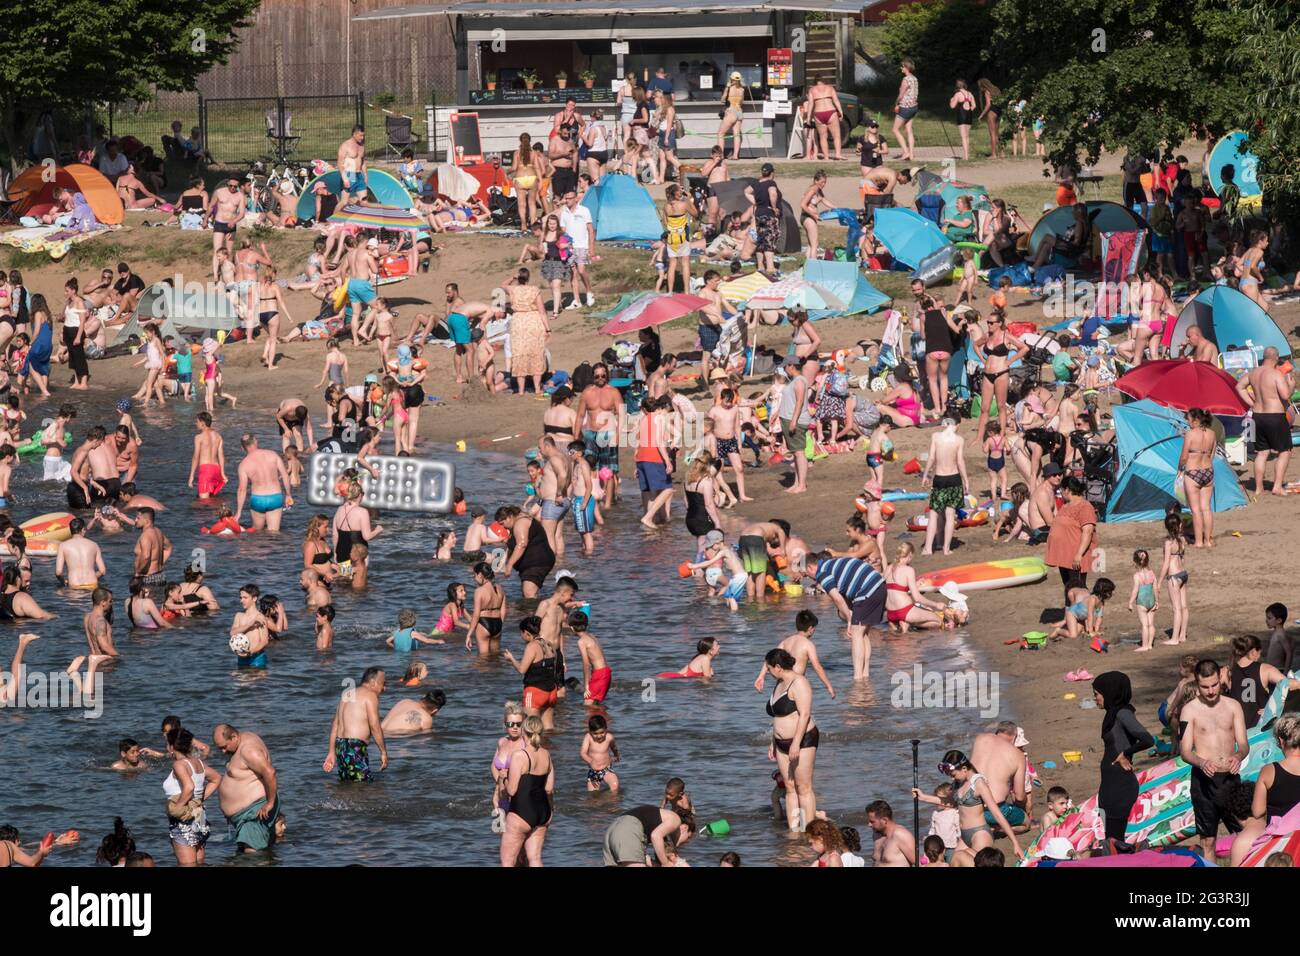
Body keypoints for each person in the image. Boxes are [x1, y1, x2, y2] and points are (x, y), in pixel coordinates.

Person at [1180, 659, 1250, 855]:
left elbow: (1244, 744)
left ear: (1220, 678)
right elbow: (1184, 750)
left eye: (1214, 685)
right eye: (1204, 687)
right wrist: (1201, 762)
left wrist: (1238, 755)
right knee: (1208, 841)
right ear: (1197, 683)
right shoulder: (1189, 710)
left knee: (1245, 834)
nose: (1210, 691)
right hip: (1204, 781)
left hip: (1230, 779)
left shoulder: (1233, 706)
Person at [1092, 672, 1155, 846]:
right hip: (1110, 785)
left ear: (1109, 692)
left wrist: (1125, 753)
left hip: (1119, 786)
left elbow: (1148, 739)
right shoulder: (1113, 713)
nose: (1095, 698)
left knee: (1114, 841)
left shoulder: (1122, 713)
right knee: (1111, 840)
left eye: (1097, 694)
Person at [802, 551, 886, 680]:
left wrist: (849, 621)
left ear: (810, 567)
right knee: (863, 633)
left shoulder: (822, 573)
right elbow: (845, 589)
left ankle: (857, 678)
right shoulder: (830, 564)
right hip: (879, 585)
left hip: (867, 590)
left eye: (807, 575)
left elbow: (837, 599)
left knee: (856, 633)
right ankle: (865, 674)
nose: (809, 578)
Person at [940, 749, 1024, 862]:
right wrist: (923, 797)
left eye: (953, 775)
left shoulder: (979, 784)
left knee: (979, 864)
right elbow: (949, 802)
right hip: (964, 836)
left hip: (979, 835)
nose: (952, 778)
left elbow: (997, 814)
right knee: (953, 862)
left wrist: (1015, 843)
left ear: (964, 769)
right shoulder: (959, 783)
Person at [213, 724, 282, 854]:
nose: (222, 751)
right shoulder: (243, 739)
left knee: (252, 856)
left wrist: (270, 803)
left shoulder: (249, 750)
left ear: (234, 737)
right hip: (247, 814)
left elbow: (270, 773)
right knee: (253, 854)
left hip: (254, 812)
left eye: (224, 747)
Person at [1237, 346, 1293, 495]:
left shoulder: (1253, 373)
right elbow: (1285, 395)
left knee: (1261, 453)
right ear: (1276, 358)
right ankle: (1277, 486)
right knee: (1285, 451)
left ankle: (1259, 488)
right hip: (1274, 416)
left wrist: (1251, 403)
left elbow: (1239, 387)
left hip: (1258, 416)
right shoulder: (1275, 374)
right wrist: (1291, 386)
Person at [499, 715, 553, 867]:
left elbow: (511, 790)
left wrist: (504, 778)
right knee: (535, 859)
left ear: (524, 731)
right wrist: (551, 810)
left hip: (521, 812)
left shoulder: (519, 756)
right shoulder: (546, 754)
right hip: (543, 812)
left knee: (507, 862)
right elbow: (549, 788)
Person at [163, 726, 221, 866]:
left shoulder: (179, 764)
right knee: (199, 862)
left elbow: (189, 787)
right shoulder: (198, 762)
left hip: (185, 819)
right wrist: (199, 799)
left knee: (187, 865)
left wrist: (178, 807)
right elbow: (217, 778)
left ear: (171, 747)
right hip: (200, 816)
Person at [323, 666, 388, 782]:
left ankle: (342, 801)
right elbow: (375, 727)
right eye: (383, 683)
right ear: (373, 683)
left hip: (340, 746)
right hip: (355, 747)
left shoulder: (347, 694)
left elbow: (335, 725)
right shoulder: (370, 695)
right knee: (364, 786)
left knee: (347, 784)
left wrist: (331, 752)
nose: (385, 688)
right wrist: (383, 752)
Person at [920, 418, 969, 556]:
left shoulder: (935, 436)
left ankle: (928, 548)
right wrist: (966, 480)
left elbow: (931, 458)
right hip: (954, 478)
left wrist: (925, 475)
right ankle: (946, 549)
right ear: (957, 424)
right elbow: (960, 461)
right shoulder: (959, 440)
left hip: (940, 478)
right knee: (950, 514)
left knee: (934, 514)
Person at [1045, 476, 1099, 602]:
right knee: (1069, 588)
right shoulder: (1066, 505)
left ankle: (1083, 617)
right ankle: (1071, 617)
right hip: (1064, 557)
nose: (1060, 493)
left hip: (1075, 556)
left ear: (1067, 490)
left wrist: (1079, 555)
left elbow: (1088, 531)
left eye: (1061, 490)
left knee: (1078, 589)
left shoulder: (1085, 507)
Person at [602, 803, 695, 867]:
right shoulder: (675, 819)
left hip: (612, 830)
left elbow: (639, 855)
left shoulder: (659, 823)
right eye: (688, 837)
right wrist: (666, 863)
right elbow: (655, 836)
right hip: (628, 828)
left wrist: (657, 864)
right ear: (684, 828)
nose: (686, 842)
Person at [235, 433, 293, 533]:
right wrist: (288, 495)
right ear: (256, 441)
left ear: (242, 448)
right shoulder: (272, 454)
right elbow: (285, 475)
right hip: (275, 497)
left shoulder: (243, 464)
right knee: (274, 533)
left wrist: (238, 512)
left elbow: (242, 489)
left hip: (258, 499)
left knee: (257, 533)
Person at [805, 76, 845, 161]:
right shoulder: (830, 88)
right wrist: (840, 112)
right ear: (824, 81)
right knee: (836, 135)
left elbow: (810, 104)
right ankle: (838, 154)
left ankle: (826, 157)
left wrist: (808, 118)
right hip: (830, 111)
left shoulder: (812, 90)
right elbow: (836, 100)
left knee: (823, 137)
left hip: (818, 113)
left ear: (815, 82)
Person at [867, 800, 917, 866]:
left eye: (872, 822)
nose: (869, 824)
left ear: (884, 820)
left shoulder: (901, 835)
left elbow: (919, 863)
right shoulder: (876, 835)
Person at [381, 689, 446, 735]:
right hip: (393, 741)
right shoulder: (426, 718)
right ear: (435, 711)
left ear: (423, 696)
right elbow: (425, 744)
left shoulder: (404, 701)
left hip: (379, 734)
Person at [891, 59, 919, 161]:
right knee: (909, 131)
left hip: (905, 107)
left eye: (902, 66)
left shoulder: (906, 80)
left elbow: (901, 95)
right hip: (914, 107)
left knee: (895, 129)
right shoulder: (915, 79)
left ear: (906, 67)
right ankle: (911, 155)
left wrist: (896, 103)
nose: (901, 68)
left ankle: (906, 152)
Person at [949, 79, 976, 160]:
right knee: (967, 136)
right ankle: (966, 155)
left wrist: (951, 100)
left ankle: (966, 156)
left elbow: (952, 106)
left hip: (961, 115)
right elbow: (974, 106)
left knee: (963, 137)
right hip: (969, 115)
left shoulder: (957, 94)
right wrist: (969, 108)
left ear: (957, 86)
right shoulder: (970, 94)